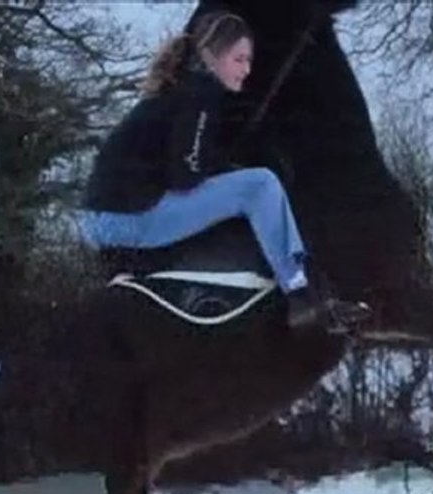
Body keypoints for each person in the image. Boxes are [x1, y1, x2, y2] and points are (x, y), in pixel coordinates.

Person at [78, 11, 359, 332]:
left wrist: (220, 169)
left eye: (249, 61)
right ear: (211, 56)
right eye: (239, 59)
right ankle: (300, 293)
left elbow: (175, 164)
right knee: (261, 185)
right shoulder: (200, 94)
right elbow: (186, 175)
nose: (246, 69)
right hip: (128, 221)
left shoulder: (178, 90)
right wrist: (227, 170)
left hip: (101, 221)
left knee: (242, 188)